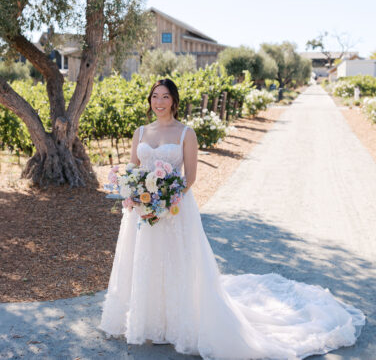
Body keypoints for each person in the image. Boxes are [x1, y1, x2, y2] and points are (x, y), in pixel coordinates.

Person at [98, 78, 365, 359]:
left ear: (174, 101)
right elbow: (133, 168)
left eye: (165, 97)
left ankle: (178, 324)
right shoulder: (140, 133)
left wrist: (163, 202)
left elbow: (190, 178)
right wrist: (133, 192)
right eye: (155, 96)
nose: (159, 102)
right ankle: (150, 321)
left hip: (174, 211)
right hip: (143, 211)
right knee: (147, 262)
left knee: (177, 263)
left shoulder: (185, 133)